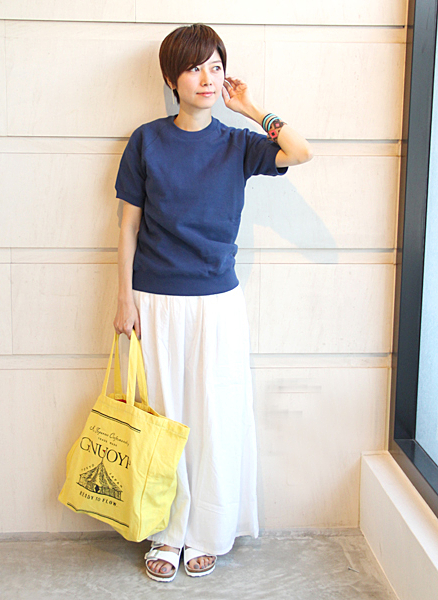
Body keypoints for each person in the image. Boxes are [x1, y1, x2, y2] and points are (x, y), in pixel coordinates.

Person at [113, 23, 312, 582]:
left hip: (217, 302)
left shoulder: (237, 143)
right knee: (164, 418)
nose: (207, 77)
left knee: (214, 417)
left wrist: (251, 109)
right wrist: (123, 297)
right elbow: (127, 227)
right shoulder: (146, 140)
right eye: (195, 67)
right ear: (171, 79)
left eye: (216, 67)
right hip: (153, 299)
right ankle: (167, 531)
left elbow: (301, 151)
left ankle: (208, 530)